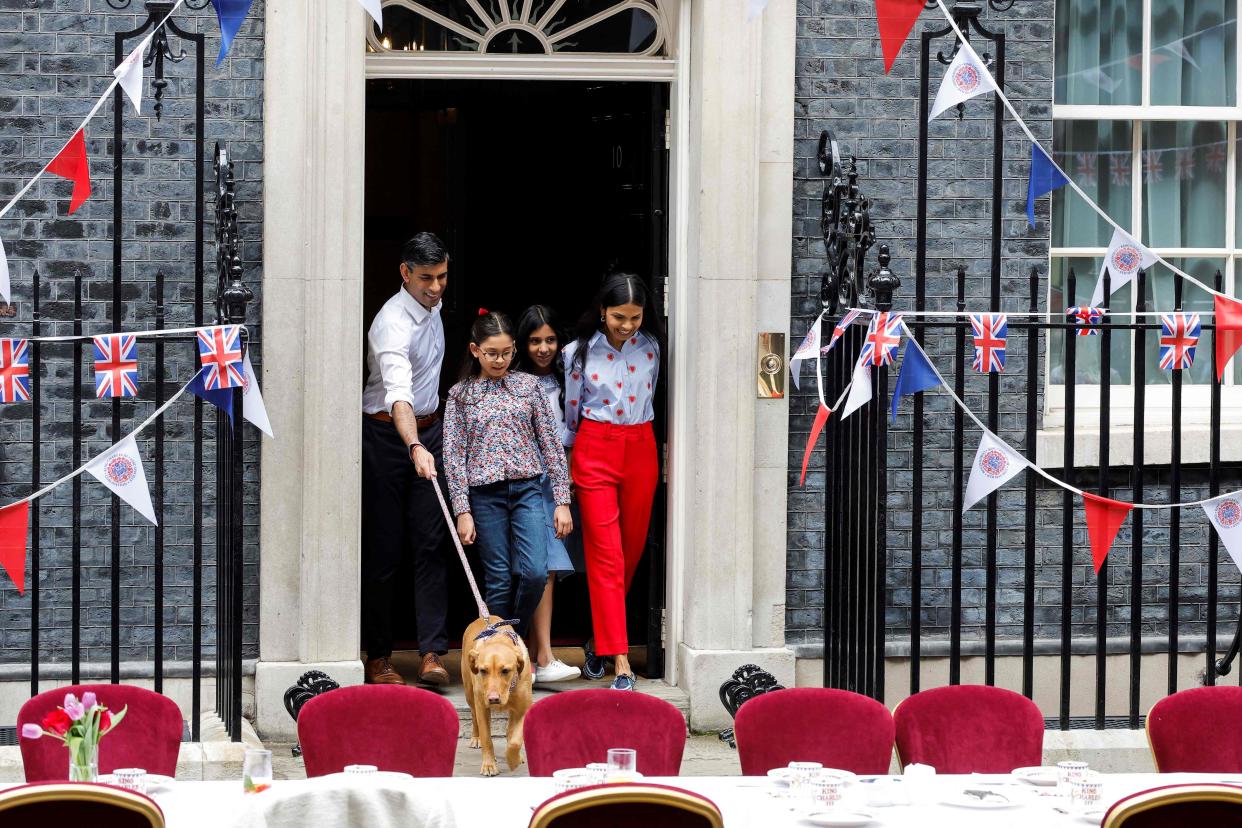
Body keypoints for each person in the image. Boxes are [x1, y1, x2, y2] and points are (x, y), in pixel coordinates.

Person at [443, 310, 573, 641]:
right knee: (498, 577)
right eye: (491, 353)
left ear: (514, 348)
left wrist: (562, 501)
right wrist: (462, 510)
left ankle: (509, 637)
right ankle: (498, 652)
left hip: (528, 489)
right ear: (475, 350)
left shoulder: (528, 387)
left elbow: (551, 445)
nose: (499, 360)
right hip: (485, 496)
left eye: (506, 352)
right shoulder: (461, 395)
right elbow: (454, 456)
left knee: (535, 573)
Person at [563, 273, 665, 691]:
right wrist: (569, 459)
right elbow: (571, 411)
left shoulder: (652, 348)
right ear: (602, 311)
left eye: (635, 317)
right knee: (605, 554)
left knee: (631, 552)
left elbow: (654, 397)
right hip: (594, 446)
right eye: (619, 316)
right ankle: (620, 657)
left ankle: (599, 641)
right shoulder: (577, 352)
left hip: (641, 445)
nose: (627, 325)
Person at [360, 232, 453, 687]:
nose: (436, 287)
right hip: (385, 435)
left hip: (429, 429)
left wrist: (429, 437)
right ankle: (378, 656)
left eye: (442, 276)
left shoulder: (435, 311)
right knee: (384, 549)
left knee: (433, 543)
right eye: (426, 278)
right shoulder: (391, 322)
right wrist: (414, 446)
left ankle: (433, 652)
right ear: (405, 273)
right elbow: (398, 392)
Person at [514, 305, 583, 684]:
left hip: (559, 479)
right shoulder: (513, 380)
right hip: (525, 479)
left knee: (550, 567)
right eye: (535, 340)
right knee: (534, 568)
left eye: (550, 340)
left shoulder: (569, 377)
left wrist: (569, 473)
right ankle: (534, 655)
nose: (543, 348)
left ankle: (539, 654)